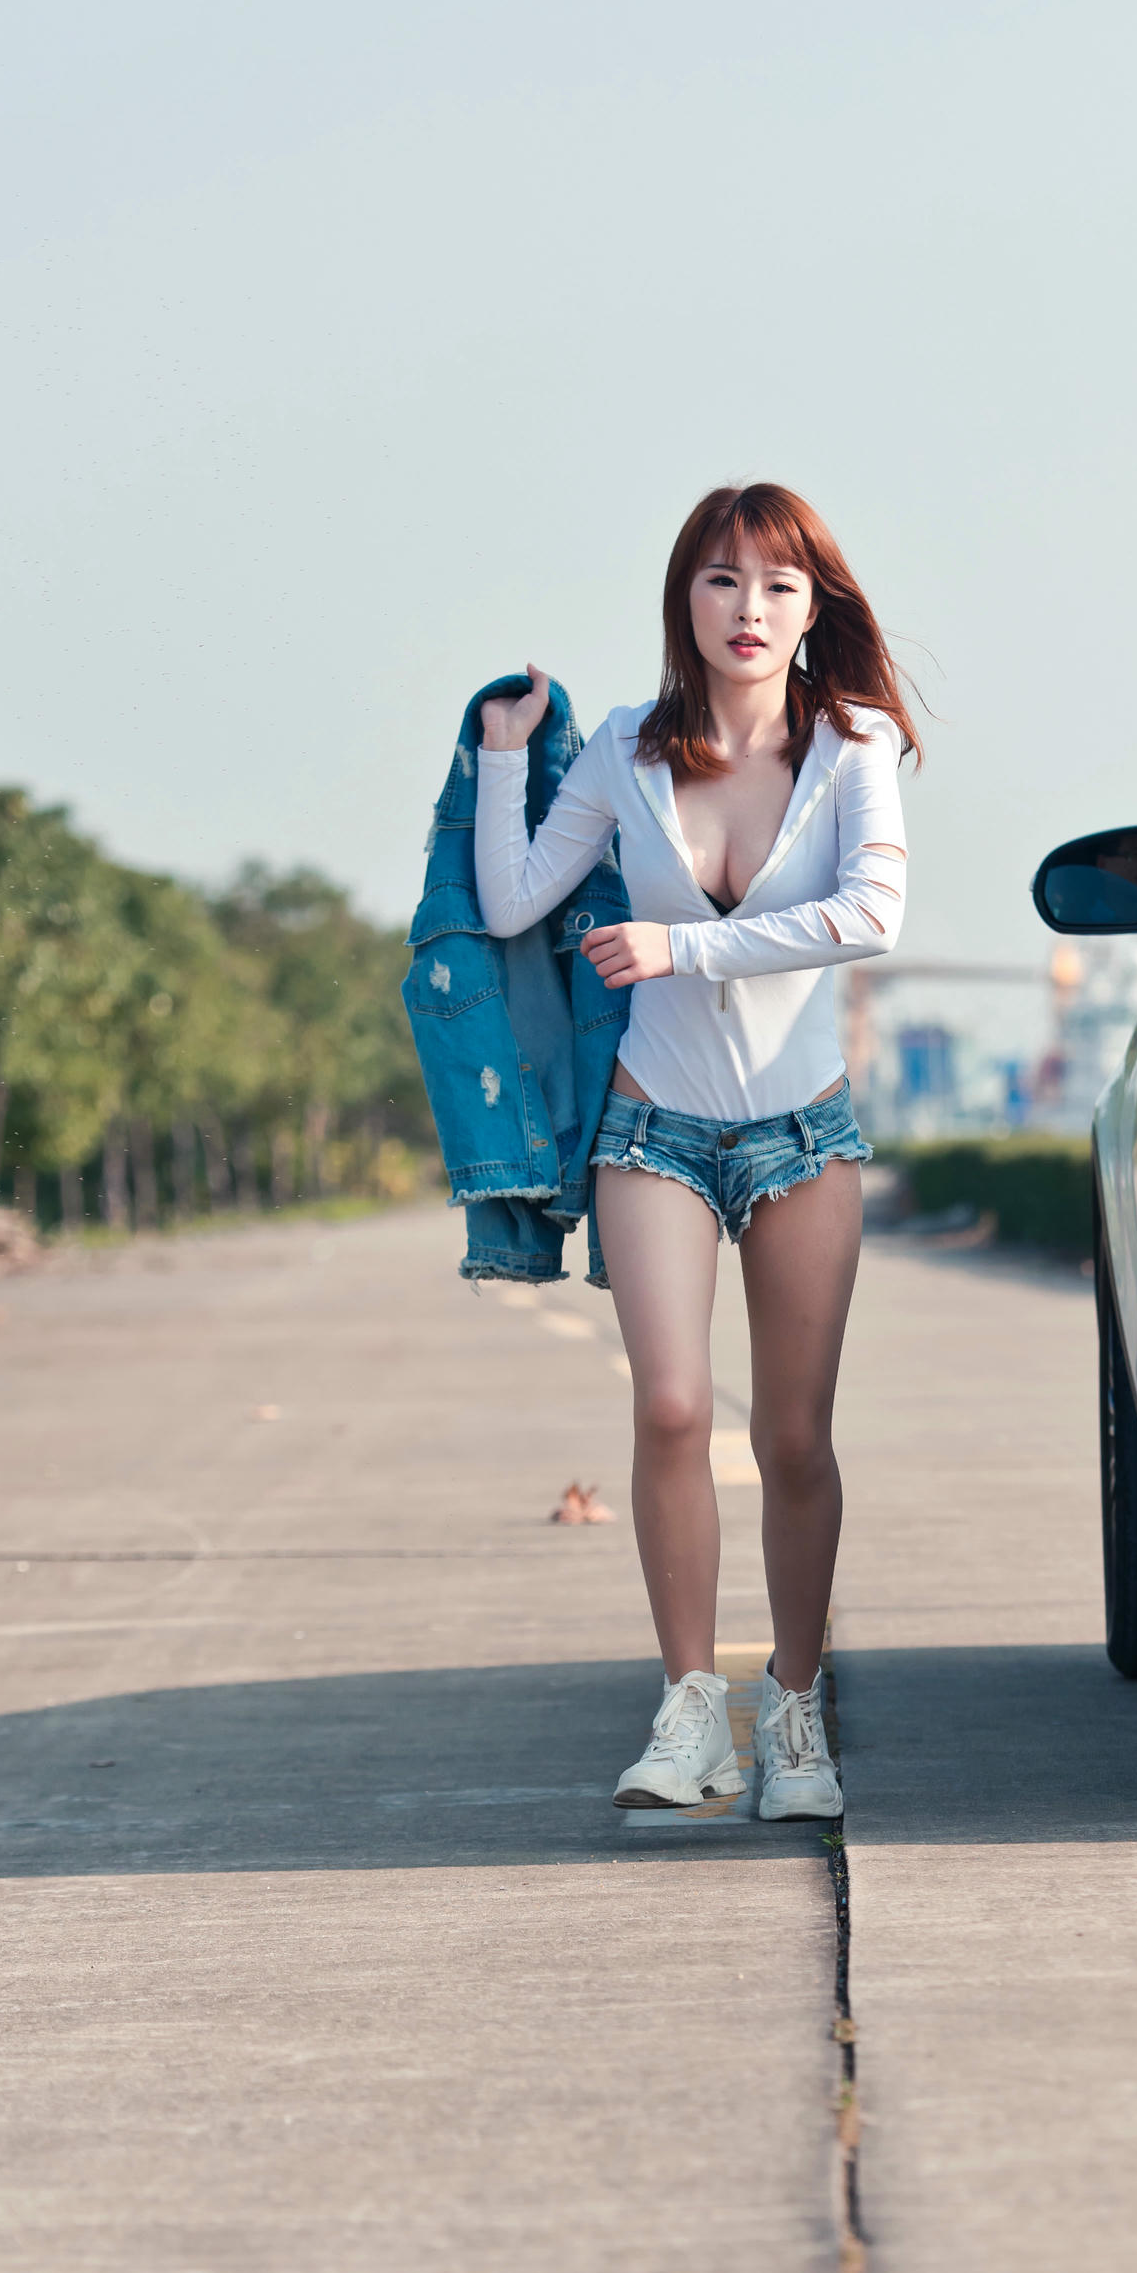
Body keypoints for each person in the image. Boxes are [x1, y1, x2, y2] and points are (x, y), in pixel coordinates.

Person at [475, 482, 916, 1818]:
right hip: (651, 1125)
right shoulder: (621, 749)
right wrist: (506, 755)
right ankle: (686, 1716)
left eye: (779, 585)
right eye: (722, 581)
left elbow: (870, 915)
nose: (749, 609)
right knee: (670, 1406)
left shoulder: (856, 747)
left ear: (814, 605)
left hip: (804, 1133)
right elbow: (512, 900)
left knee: (793, 1436)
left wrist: (686, 946)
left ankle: (793, 1713)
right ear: (686, 598)